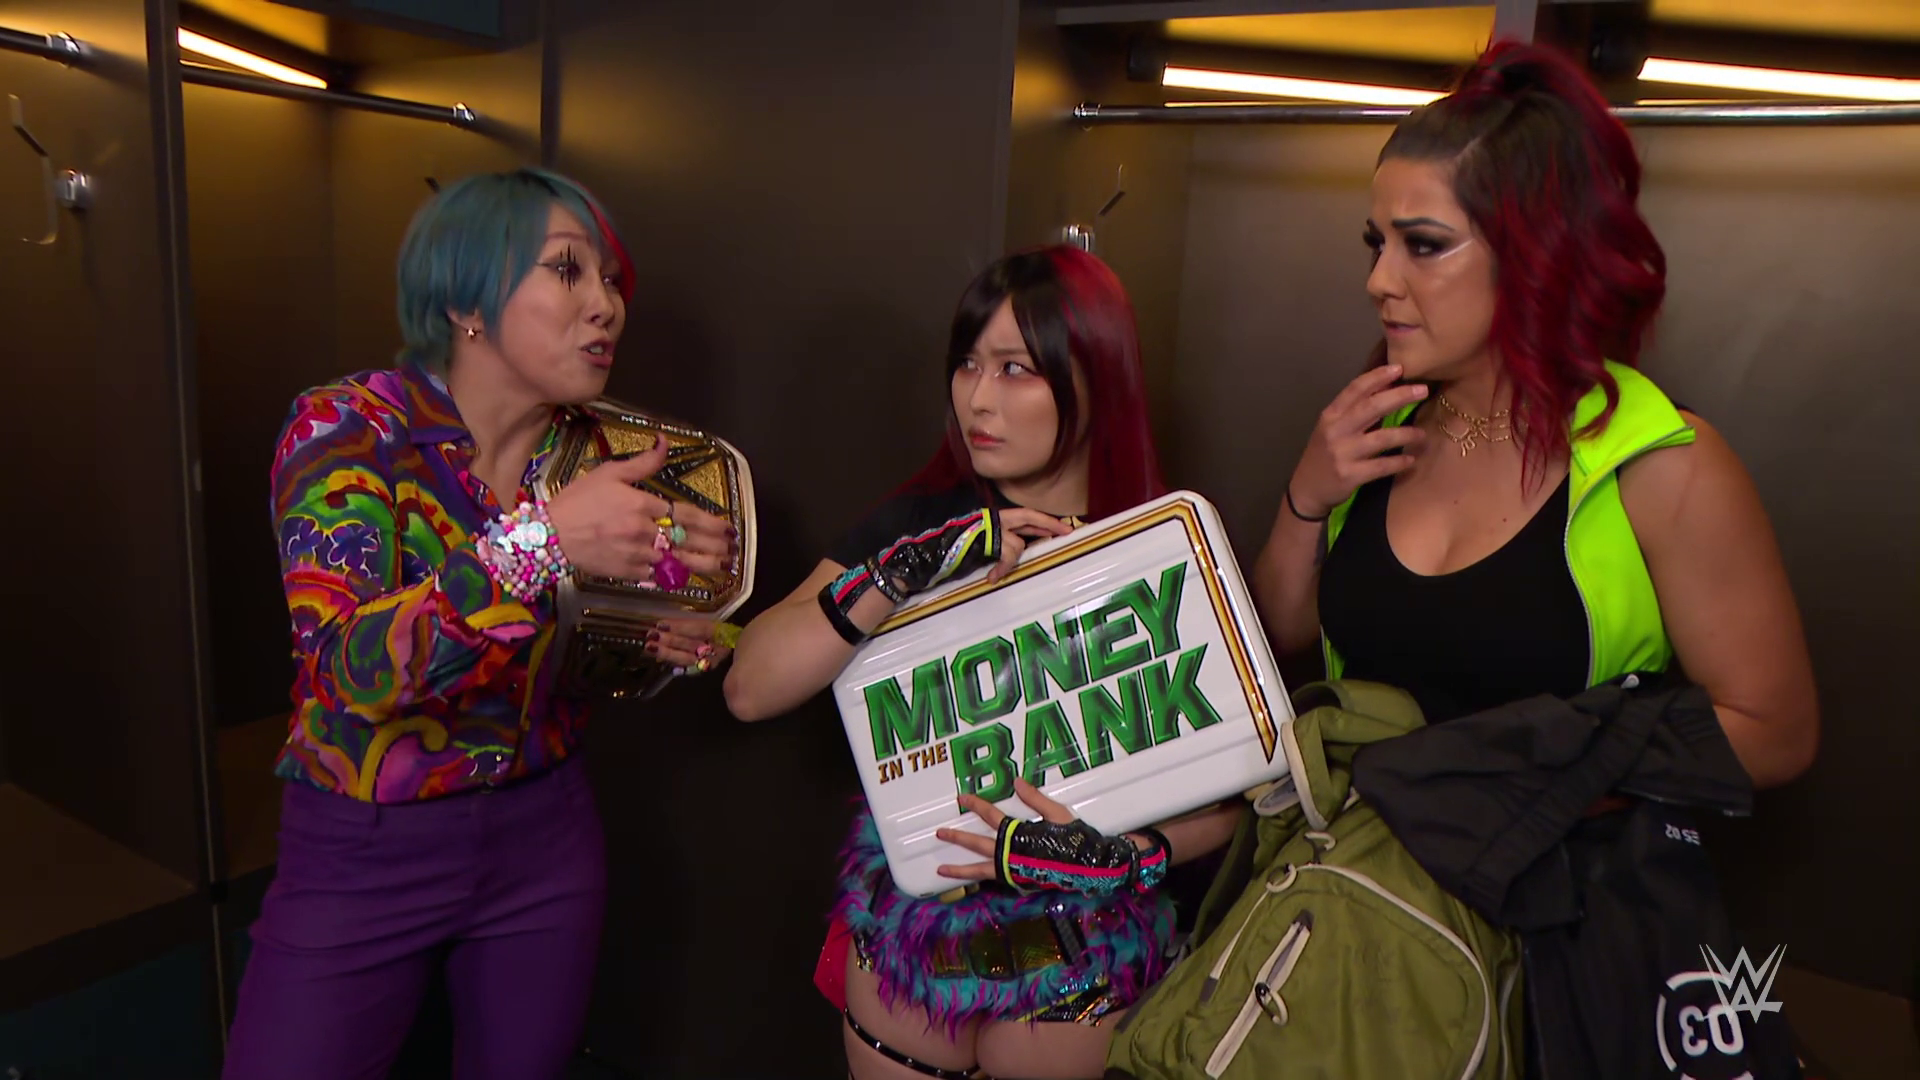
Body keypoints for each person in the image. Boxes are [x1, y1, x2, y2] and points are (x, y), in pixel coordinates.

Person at [1249, 37, 1819, 1067]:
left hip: (1551, 961)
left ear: (1536, 252)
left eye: (1424, 246)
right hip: (1362, 932)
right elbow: (1283, 634)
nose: (1379, 280)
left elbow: (1776, 732)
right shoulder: (1374, 426)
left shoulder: (1663, 465)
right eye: (1374, 242)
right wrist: (1305, 494)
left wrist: (1537, 766)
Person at [222, 167, 739, 1080]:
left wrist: (665, 643)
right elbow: (350, 671)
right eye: (566, 270)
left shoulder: (599, 454)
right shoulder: (349, 427)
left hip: (546, 836)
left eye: (610, 279)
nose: (606, 304)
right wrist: (544, 541)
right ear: (466, 300)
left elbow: (583, 657)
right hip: (365, 844)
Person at [724, 246, 1243, 1080]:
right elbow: (750, 686)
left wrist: (1126, 855)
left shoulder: (1157, 546)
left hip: (1085, 958)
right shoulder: (923, 529)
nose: (977, 398)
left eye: (1015, 369)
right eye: (967, 363)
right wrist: (907, 571)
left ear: (1097, 377)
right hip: (912, 944)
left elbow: (1235, 798)